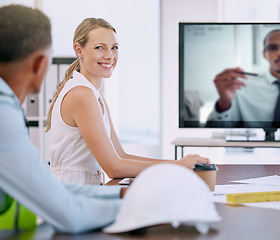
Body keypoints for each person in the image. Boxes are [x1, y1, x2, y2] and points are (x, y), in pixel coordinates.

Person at [0, 4, 128, 237]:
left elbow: (46, 187)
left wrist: (116, 195)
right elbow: (69, 213)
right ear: (41, 63)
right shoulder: (3, 114)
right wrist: (135, 206)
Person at [45, 18, 209, 185]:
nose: (109, 56)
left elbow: (120, 156)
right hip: (69, 197)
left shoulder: (95, 96)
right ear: (78, 50)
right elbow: (113, 167)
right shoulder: (81, 94)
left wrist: (177, 164)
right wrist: (177, 166)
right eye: (99, 47)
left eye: (114, 48)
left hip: (82, 194)